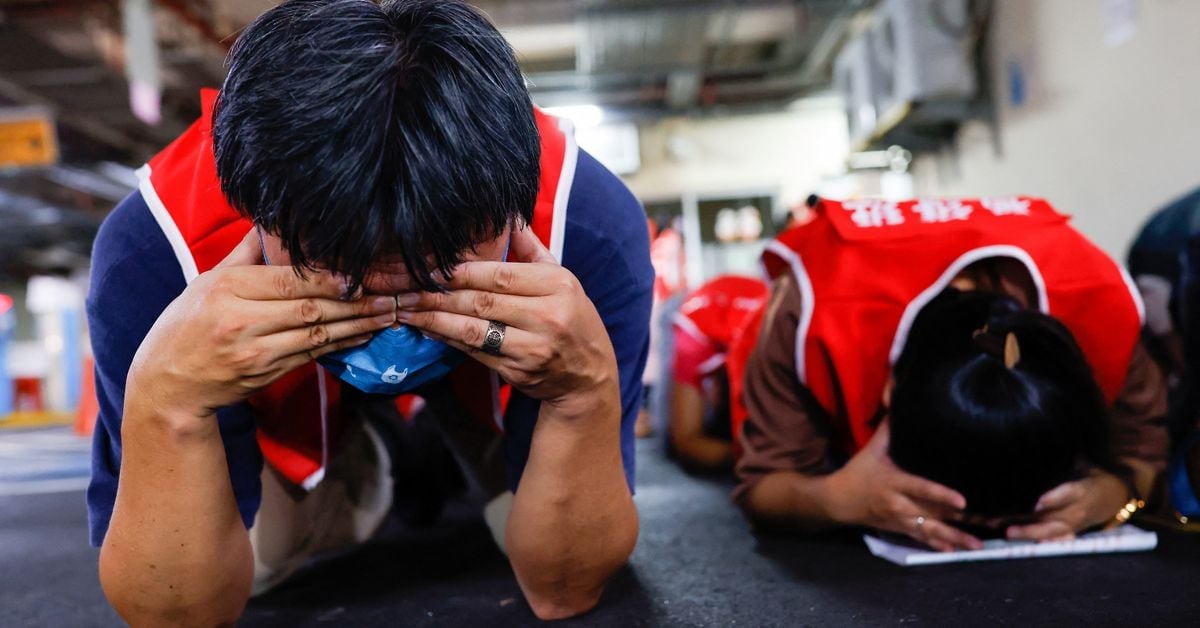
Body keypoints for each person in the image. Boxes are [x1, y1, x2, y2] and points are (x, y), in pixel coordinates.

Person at [86, 1, 651, 623]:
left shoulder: (587, 228)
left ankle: (455, 429)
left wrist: (582, 394)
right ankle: (370, 456)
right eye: (346, 277)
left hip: (489, 389)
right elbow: (175, 616)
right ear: (256, 214)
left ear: (513, 210)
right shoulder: (156, 250)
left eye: (436, 274)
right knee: (264, 557)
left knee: (526, 527)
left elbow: (563, 591)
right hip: (287, 404)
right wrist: (167, 402)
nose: (392, 309)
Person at [736, 197, 1168, 551]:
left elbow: (1147, 453)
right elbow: (763, 485)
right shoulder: (810, 312)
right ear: (888, 392)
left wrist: (1119, 492)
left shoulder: (1102, 309)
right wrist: (835, 499)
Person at [667, 275, 767, 471]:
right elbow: (686, 441)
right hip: (702, 312)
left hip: (758, 308)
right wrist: (751, 459)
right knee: (669, 442)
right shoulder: (695, 338)